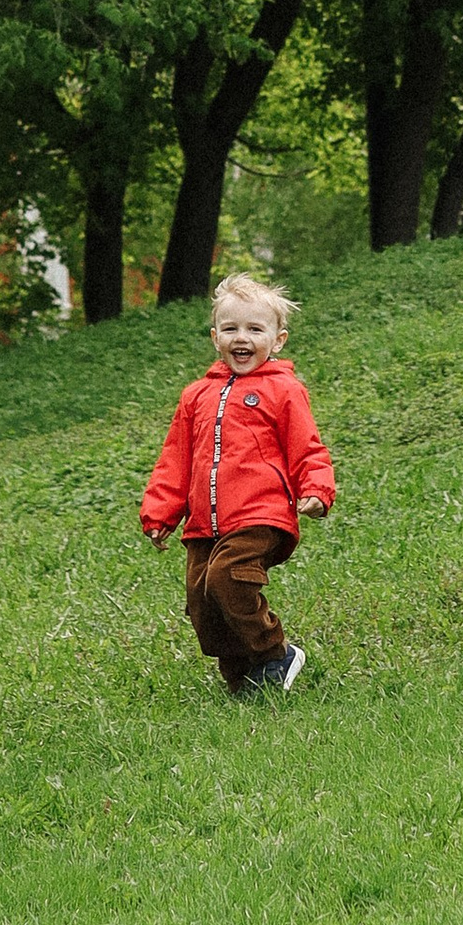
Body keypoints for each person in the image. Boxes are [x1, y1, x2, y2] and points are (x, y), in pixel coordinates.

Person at [140, 273, 336, 694]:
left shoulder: (284, 390)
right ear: (215, 337)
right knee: (202, 603)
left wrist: (316, 490)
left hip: (260, 514)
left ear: (277, 340)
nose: (241, 337)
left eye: (254, 329)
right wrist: (159, 513)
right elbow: (175, 459)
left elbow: (308, 447)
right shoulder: (195, 396)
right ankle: (243, 677)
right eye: (230, 328)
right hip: (204, 525)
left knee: (228, 578)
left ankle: (275, 653)